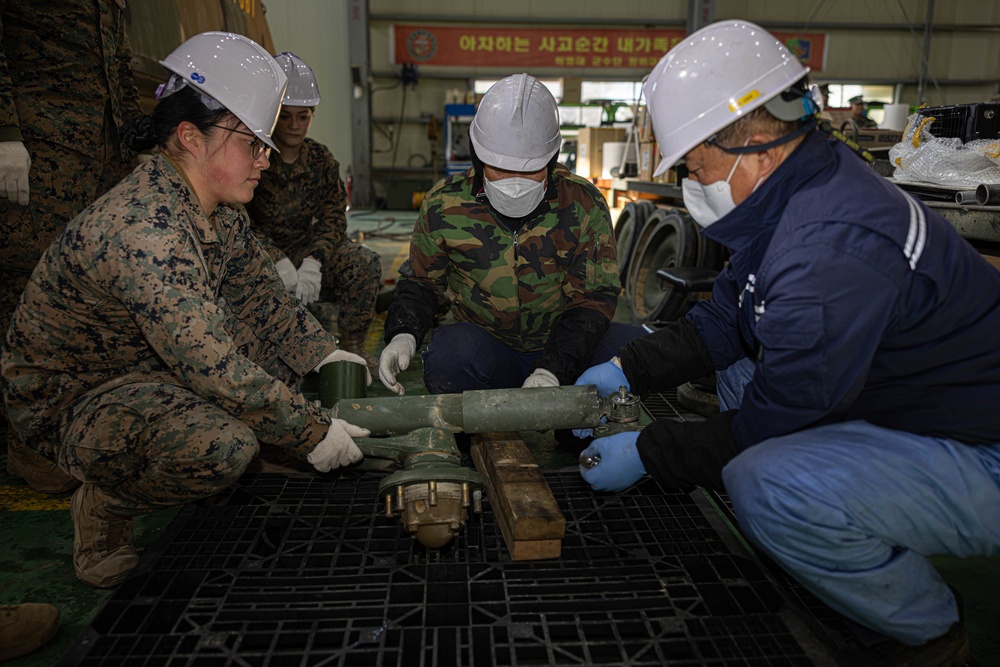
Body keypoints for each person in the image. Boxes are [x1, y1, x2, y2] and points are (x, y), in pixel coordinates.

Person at [575, 20, 999, 665]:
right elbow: (725, 322)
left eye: (695, 165)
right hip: (913, 398)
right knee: (739, 373)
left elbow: (777, 419)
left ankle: (923, 634)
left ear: (758, 148)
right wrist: (624, 371)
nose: (692, 183)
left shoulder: (827, 246)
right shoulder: (803, 187)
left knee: (766, 480)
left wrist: (653, 449)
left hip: (980, 449)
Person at [0, 32, 372, 589]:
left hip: (140, 361)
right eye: (253, 144)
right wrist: (310, 432)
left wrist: (324, 353)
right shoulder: (146, 228)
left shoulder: (216, 209)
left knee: (275, 367)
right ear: (190, 137)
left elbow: (260, 299)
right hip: (72, 395)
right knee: (225, 445)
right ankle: (104, 503)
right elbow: (215, 369)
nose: (266, 160)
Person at [379, 73, 644, 396]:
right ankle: (479, 432)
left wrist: (552, 369)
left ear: (552, 158)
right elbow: (422, 283)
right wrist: (403, 333)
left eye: (530, 168)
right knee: (450, 354)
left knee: (636, 350)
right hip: (490, 352)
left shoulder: (584, 203)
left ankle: (575, 427)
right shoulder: (444, 203)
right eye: (500, 167)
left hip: (565, 348)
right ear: (479, 157)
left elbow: (593, 299)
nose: (515, 181)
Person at [0, 0, 142, 494]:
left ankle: (72, 424)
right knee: (26, 285)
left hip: (103, 143)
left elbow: (115, 52)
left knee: (91, 290)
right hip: (43, 139)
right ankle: (23, 439)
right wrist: (6, 129)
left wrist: (134, 134)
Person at [246, 52, 381, 371]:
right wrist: (274, 258)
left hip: (308, 251)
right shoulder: (253, 155)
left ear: (312, 115)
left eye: (303, 116)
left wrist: (315, 259)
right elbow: (241, 221)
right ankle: (267, 354)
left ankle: (353, 351)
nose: (294, 125)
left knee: (364, 263)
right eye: (286, 116)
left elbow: (334, 217)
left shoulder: (321, 160)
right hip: (261, 254)